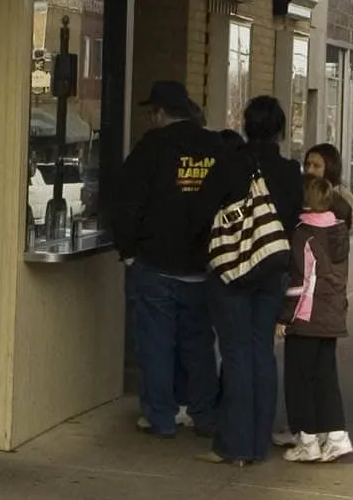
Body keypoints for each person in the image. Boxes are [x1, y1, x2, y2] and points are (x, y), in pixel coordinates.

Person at [193, 95, 303, 465]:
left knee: (236, 353)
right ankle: (257, 442)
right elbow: (291, 222)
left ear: (245, 124)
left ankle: (234, 445)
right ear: (280, 130)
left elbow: (202, 212)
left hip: (230, 274)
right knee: (262, 354)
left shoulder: (228, 164)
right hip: (271, 272)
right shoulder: (290, 172)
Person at [110, 81, 221, 440]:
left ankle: (161, 418)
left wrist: (127, 252)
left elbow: (125, 202)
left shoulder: (150, 148)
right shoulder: (214, 146)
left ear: (159, 112)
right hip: (202, 267)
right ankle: (204, 414)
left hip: (154, 264)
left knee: (156, 345)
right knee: (199, 346)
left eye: (150, 112)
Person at [281, 174, 353, 462]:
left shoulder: (303, 234)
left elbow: (302, 281)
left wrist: (285, 317)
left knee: (300, 380)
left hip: (306, 318)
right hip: (332, 316)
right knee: (325, 377)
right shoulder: (339, 232)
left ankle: (308, 440)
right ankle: (336, 436)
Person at [304, 141, 353, 233]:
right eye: (308, 164)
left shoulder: (342, 197)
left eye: (316, 166)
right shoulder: (304, 190)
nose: (310, 170)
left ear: (330, 168)